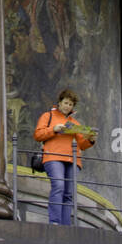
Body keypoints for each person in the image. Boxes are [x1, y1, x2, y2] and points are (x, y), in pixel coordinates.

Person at [34, 88, 96, 226]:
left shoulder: (75, 123)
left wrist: (90, 139)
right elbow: (38, 135)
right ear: (59, 102)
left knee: (68, 193)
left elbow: (82, 144)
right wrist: (54, 129)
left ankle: (66, 224)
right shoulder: (47, 116)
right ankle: (55, 222)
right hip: (53, 157)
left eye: (70, 104)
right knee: (58, 186)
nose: (68, 106)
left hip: (72, 160)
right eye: (66, 103)